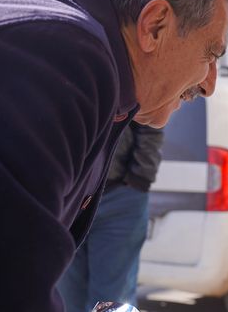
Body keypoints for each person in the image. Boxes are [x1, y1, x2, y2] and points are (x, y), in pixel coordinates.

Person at [0, 0, 228, 311]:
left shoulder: (76, 41)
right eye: (210, 54)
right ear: (155, 25)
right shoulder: (70, 51)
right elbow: (8, 287)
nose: (210, 84)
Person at [57, 123, 164, 311]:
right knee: (66, 298)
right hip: (71, 197)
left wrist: (139, 179)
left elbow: (151, 120)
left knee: (113, 301)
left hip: (120, 197)